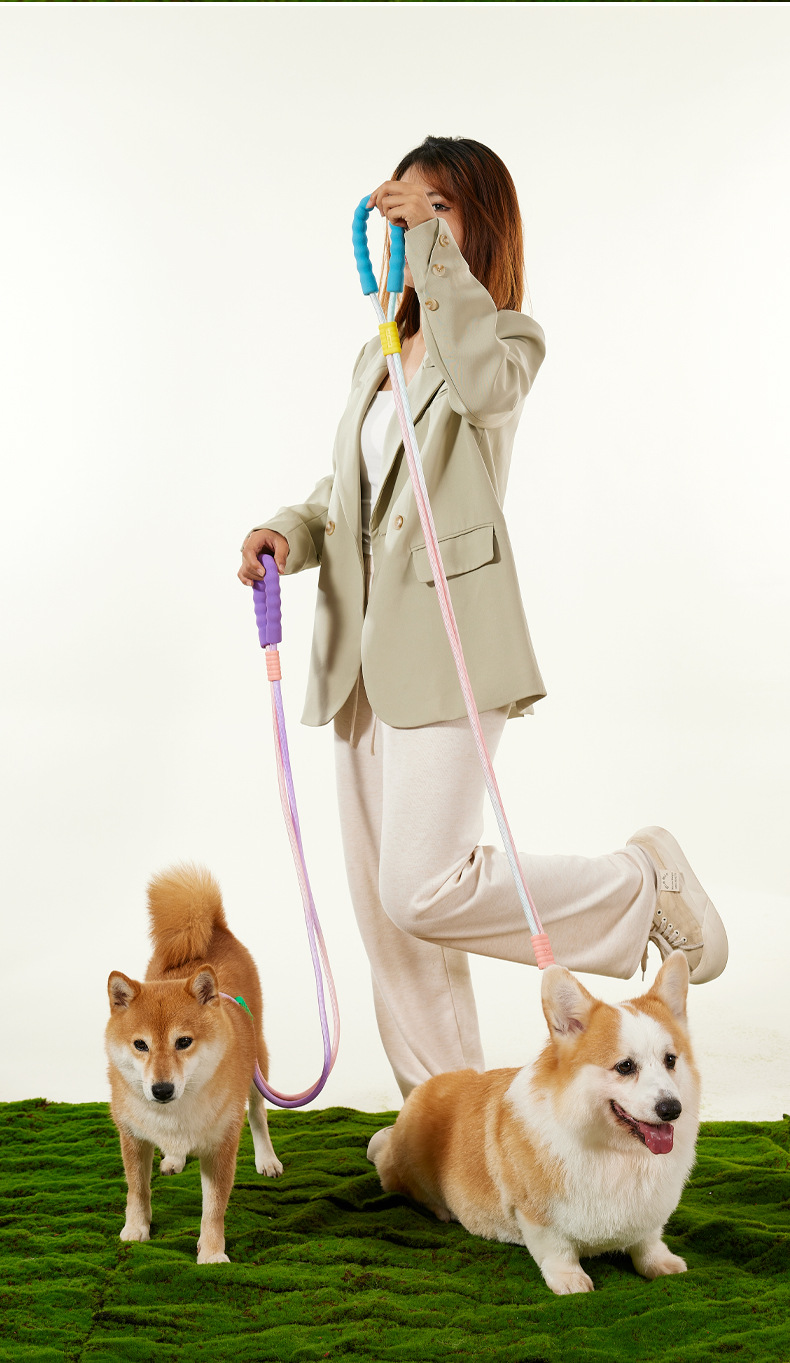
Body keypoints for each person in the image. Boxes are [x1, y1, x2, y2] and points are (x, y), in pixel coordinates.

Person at [238, 136, 727, 1100]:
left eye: (436, 209)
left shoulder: (503, 341)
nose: (408, 223)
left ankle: (640, 884)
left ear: (477, 228)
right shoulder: (377, 357)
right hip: (357, 658)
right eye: (401, 207)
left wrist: (430, 254)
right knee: (391, 917)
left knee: (422, 888)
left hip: (447, 645)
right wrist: (287, 532)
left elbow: (483, 387)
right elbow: (352, 492)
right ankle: (440, 1115)